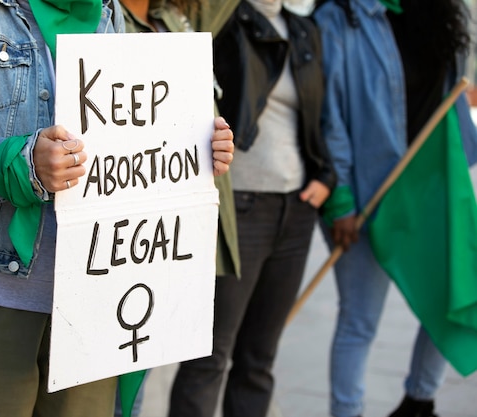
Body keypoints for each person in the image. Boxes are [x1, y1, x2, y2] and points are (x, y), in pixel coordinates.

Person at [0, 0, 235, 416]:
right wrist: (16, 164)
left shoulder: (109, 12)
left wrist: (195, 148)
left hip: (94, 303)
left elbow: (125, 141)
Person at [168, 1, 337, 416]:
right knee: (209, 356)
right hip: (238, 205)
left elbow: (321, 115)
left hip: (296, 209)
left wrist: (325, 178)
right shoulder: (224, 20)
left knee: (259, 359)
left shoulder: (303, 29)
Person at [312, 1, 477, 417]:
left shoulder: (439, 11)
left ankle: (419, 402)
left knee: (454, 297)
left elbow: (451, 91)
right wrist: (342, 200)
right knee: (359, 321)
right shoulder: (338, 18)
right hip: (369, 196)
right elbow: (329, 118)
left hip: (431, 186)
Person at [113, 0, 243, 414]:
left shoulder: (176, 21)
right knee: (105, 378)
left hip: (171, 236)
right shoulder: (99, 20)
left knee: (136, 373)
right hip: (117, 235)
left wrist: (213, 143)